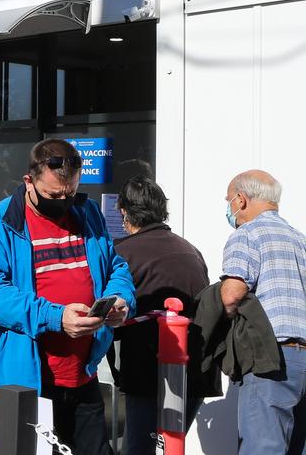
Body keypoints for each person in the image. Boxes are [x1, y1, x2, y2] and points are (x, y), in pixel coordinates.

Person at [0, 139, 135, 455]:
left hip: (83, 376)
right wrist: (55, 317)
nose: (63, 201)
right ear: (28, 182)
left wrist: (120, 299)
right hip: (24, 381)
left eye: (70, 192)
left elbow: (116, 267)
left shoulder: (87, 213)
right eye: (53, 195)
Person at [109, 177, 209, 455]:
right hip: (195, 372)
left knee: (141, 449)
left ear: (124, 212)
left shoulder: (121, 253)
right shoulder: (190, 250)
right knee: (169, 449)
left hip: (148, 373)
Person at [219, 169, 306, 454]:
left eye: (228, 200)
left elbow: (231, 295)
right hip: (303, 357)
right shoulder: (300, 239)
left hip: (271, 357)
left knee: (263, 447)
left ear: (241, 200)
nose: (229, 208)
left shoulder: (247, 234)